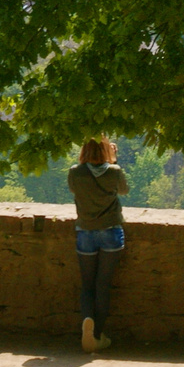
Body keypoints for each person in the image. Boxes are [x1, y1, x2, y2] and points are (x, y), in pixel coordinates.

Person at [68, 138, 130, 352]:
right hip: (111, 230)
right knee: (103, 284)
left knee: (87, 285)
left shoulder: (75, 172)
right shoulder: (114, 171)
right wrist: (113, 161)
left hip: (85, 231)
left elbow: (73, 189)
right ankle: (97, 335)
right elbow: (124, 190)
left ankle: (87, 319)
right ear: (106, 150)